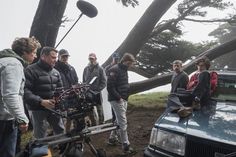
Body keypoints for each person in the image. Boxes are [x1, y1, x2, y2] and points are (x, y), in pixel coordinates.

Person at [0, 37, 41, 157]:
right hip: (4, 119)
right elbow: (10, 95)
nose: (35, 56)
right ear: (24, 52)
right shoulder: (14, 64)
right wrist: (22, 118)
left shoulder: (4, 61)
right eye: (33, 53)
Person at [24, 47, 65, 139]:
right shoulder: (30, 70)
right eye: (53, 57)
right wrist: (41, 101)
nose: (56, 60)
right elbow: (25, 91)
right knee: (40, 136)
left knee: (60, 130)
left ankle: (63, 150)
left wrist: (59, 98)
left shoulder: (56, 72)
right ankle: (43, 152)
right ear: (43, 57)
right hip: (37, 109)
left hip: (54, 107)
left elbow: (60, 89)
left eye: (56, 57)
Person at [107, 53, 136, 155]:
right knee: (123, 122)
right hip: (116, 99)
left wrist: (125, 98)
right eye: (129, 63)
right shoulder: (114, 69)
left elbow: (122, 84)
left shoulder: (124, 69)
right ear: (124, 61)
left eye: (131, 63)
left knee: (118, 120)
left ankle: (112, 138)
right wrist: (119, 98)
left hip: (124, 99)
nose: (130, 65)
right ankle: (126, 145)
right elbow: (110, 87)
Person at [55, 49, 78, 131]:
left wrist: (75, 88)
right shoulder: (55, 68)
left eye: (66, 56)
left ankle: (73, 134)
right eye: (63, 56)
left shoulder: (71, 68)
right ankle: (64, 137)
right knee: (63, 118)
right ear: (59, 56)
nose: (65, 58)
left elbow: (76, 80)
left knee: (74, 115)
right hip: (62, 96)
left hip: (72, 95)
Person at [83, 53, 106, 125]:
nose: (91, 60)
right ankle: (94, 124)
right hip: (88, 93)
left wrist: (97, 90)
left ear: (96, 58)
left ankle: (101, 123)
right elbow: (84, 81)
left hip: (97, 93)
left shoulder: (100, 69)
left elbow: (104, 82)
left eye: (92, 58)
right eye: (90, 58)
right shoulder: (85, 69)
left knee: (99, 109)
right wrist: (85, 89)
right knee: (90, 109)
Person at [105, 52, 121, 146]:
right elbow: (109, 82)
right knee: (115, 116)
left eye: (117, 58)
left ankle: (114, 136)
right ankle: (113, 136)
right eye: (115, 58)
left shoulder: (120, 67)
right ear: (112, 58)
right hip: (113, 95)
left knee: (117, 116)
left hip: (118, 94)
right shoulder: (108, 68)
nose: (116, 60)